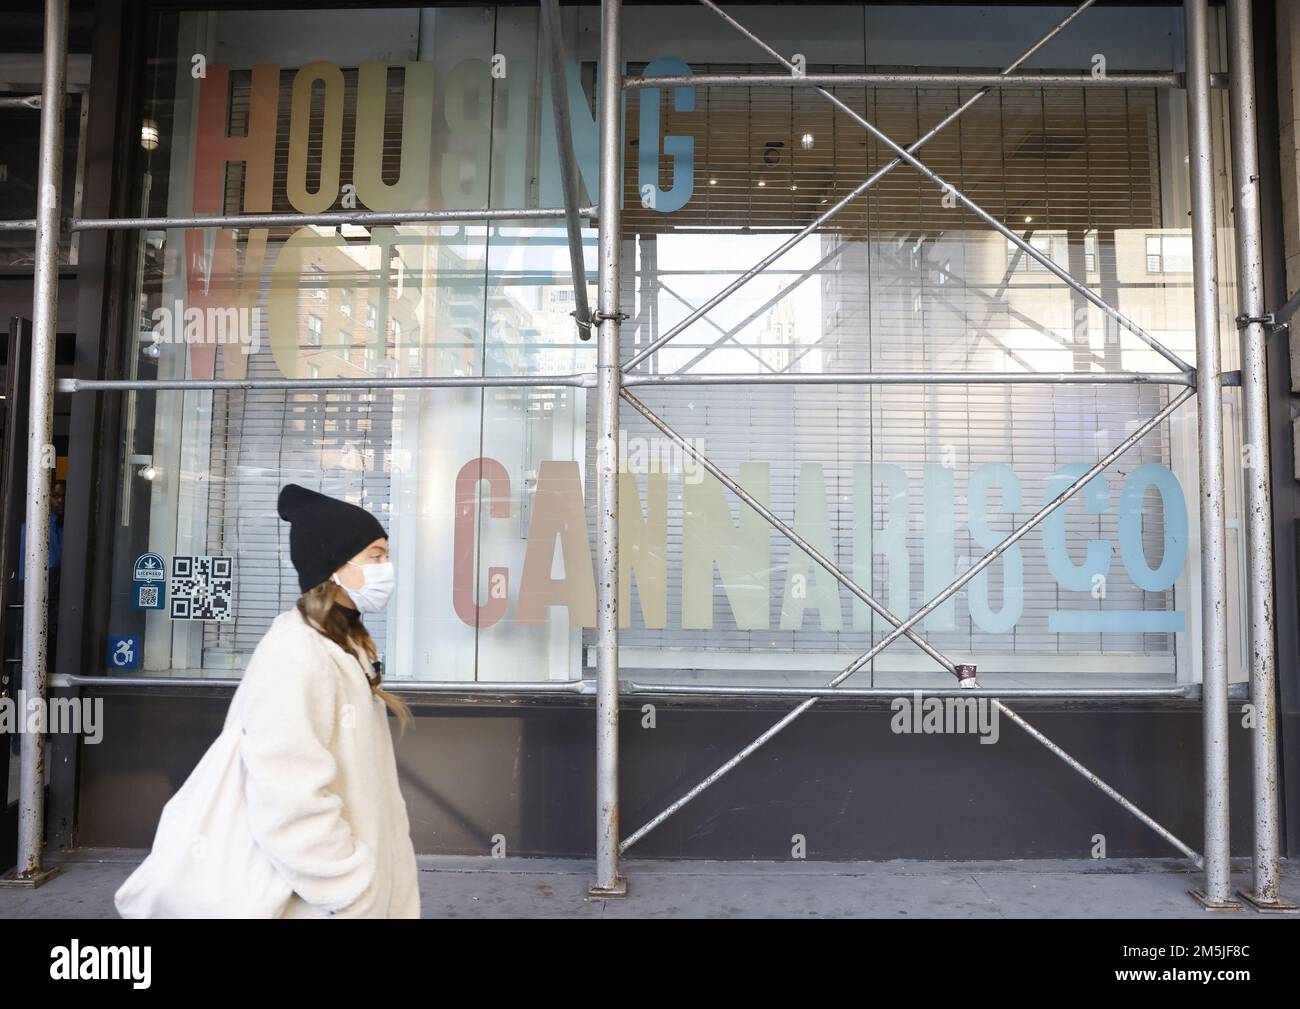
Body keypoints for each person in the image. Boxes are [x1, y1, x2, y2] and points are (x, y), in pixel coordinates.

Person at [220, 482, 420, 918]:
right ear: (335, 568)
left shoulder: (347, 646)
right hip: (326, 902)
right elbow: (287, 794)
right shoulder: (295, 652)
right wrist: (348, 885)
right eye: (376, 557)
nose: (387, 568)